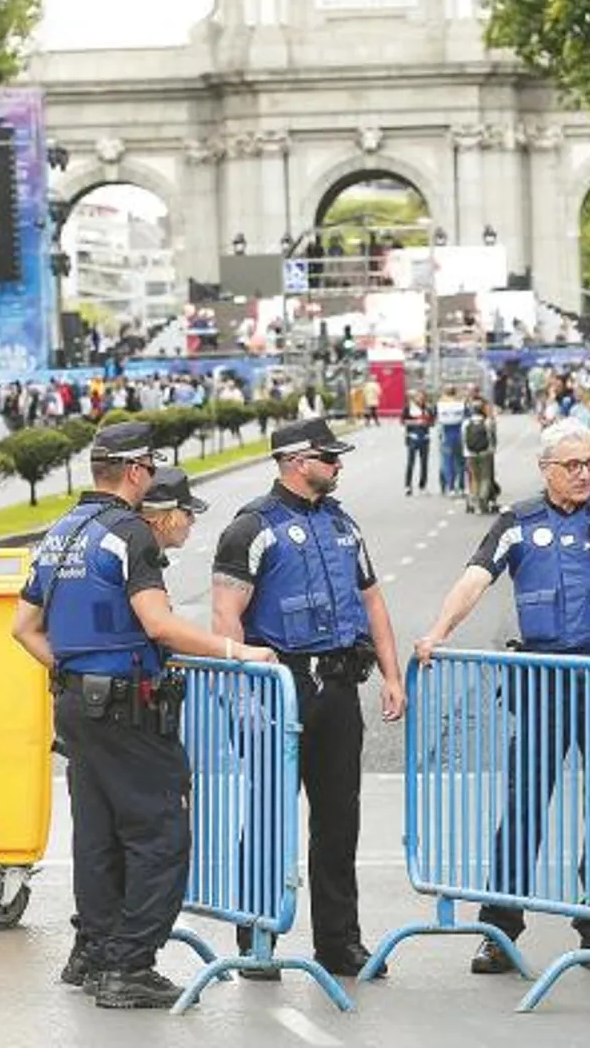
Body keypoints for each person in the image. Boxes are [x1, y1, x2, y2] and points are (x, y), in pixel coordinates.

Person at [12, 423, 272, 1010]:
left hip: (77, 703)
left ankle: (98, 953)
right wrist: (238, 650)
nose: (152, 478)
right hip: (127, 707)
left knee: (99, 837)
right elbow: (157, 623)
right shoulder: (129, 533)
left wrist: (79, 672)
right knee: (160, 835)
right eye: (151, 468)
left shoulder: (61, 532)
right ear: (134, 472)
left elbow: (23, 629)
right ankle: (129, 966)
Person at [413, 418, 590, 974]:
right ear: (545, 469)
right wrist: (438, 632)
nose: (584, 475)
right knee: (525, 805)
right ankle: (499, 929)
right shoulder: (519, 522)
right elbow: (475, 579)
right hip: (542, 684)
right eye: (571, 466)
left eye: (589, 464)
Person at [211, 418, 406, 979]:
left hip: (339, 686)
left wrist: (393, 676)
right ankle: (257, 935)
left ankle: (339, 941)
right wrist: (242, 693)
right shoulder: (252, 527)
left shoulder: (343, 524)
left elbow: (372, 602)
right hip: (280, 689)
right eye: (330, 457)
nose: (339, 465)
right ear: (297, 461)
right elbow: (227, 616)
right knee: (270, 814)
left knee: (339, 819)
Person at [400, 391, 434, 496]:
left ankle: (422, 486)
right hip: (412, 438)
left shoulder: (428, 408)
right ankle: (408, 486)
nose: (421, 399)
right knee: (411, 462)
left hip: (424, 438)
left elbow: (432, 422)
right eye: (419, 397)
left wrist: (427, 422)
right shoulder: (408, 408)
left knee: (424, 463)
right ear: (414, 398)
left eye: (423, 397)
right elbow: (403, 421)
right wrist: (416, 422)